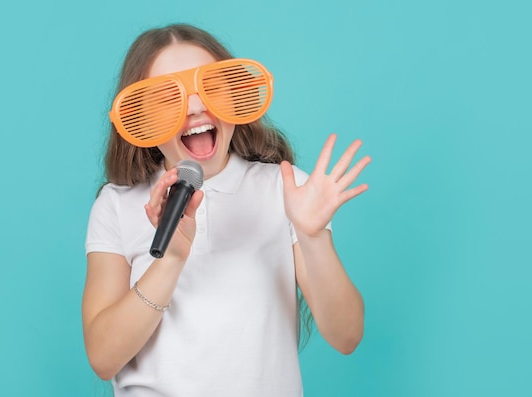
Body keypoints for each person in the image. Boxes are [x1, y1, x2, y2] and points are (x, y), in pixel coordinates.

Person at [82, 23, 370, 397]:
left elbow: (347, 336)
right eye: (170, 97)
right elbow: (103, 357)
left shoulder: (285, 190)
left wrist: (313, 238)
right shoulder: (117, 205)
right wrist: (169, 260)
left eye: (212, 87)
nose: (197, 106)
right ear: (144, 118)